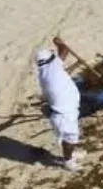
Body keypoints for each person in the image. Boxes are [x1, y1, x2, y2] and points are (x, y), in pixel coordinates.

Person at [35, 39, 84, 171]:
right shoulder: (53, 67)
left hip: (64, 113)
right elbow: (65, 49)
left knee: (69, 139)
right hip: (64, 115)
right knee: (70, 139)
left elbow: (64, 74)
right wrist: (57, 42)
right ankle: (68, 162)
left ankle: (70, 155)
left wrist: (76, 64)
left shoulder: (46, 72)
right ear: (51, 60)